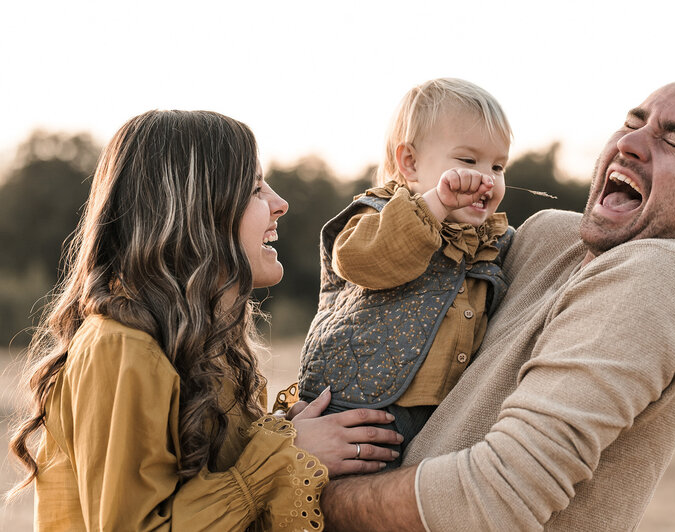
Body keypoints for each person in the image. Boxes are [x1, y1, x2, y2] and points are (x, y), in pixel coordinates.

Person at [315, 73, 675, 531]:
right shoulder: (546, 236)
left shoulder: (663, 272)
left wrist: (302, 488)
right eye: (633, 122)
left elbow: (495, 496)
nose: (631, 143)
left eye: (674, 141)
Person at [7, 110, 401, 531]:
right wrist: (281, 457)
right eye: (254, 189)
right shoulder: (121, 348)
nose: (280, 203)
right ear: (194, 213)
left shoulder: (204, 349)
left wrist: (283, 438)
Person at [298, 78, 514, 454]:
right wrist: (435, 205)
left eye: (498, 165)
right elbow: (363, 261)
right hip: (357, 406)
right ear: (409, 163)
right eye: (468, 161)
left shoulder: (486, 241)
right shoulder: (377, 213)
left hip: (441, 416)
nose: (487, 179)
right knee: (340, 502)